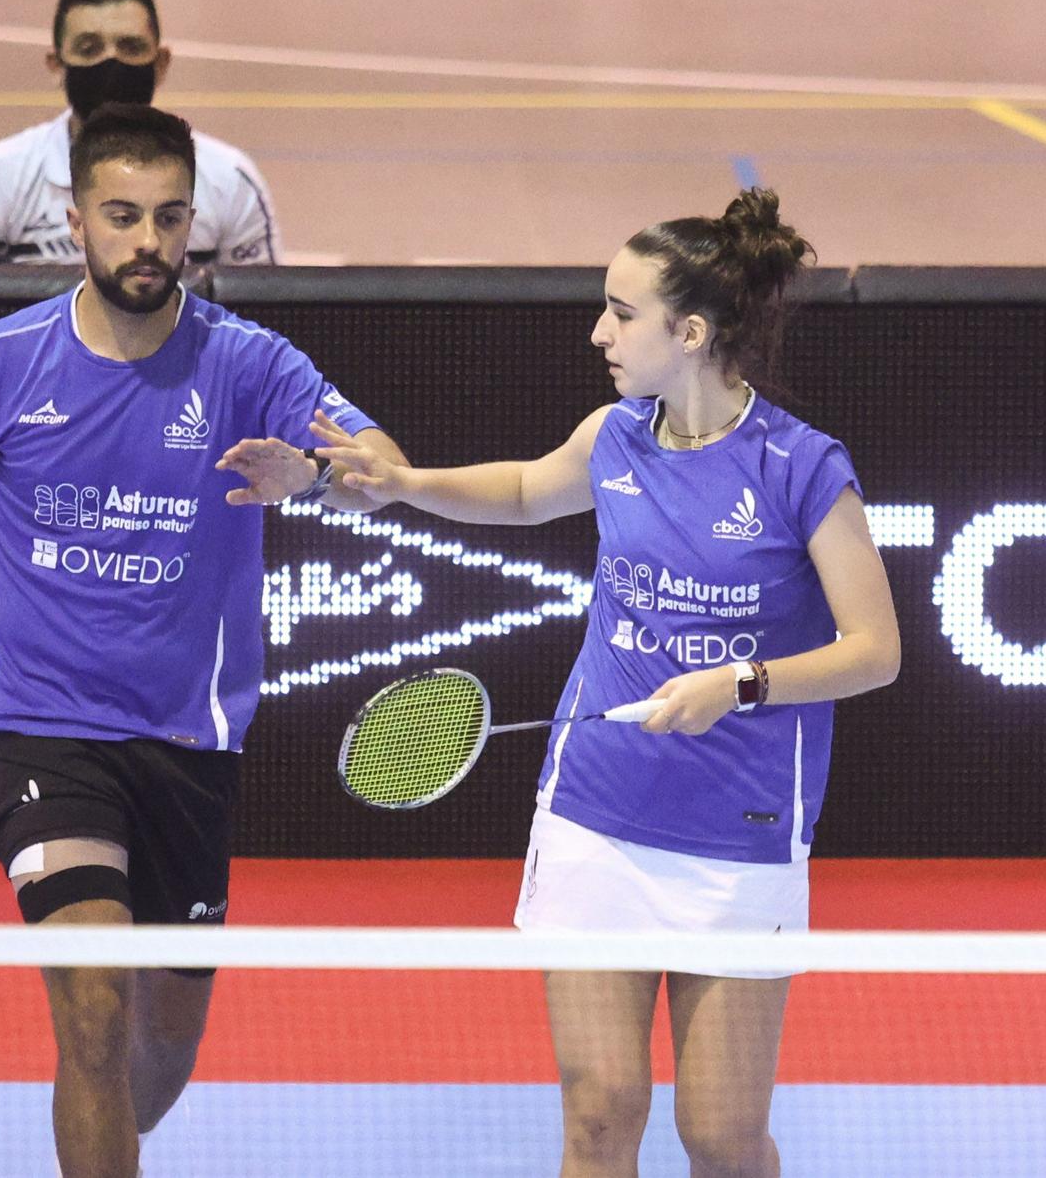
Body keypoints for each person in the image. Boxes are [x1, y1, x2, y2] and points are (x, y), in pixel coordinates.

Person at [0, 104, 404, 1178]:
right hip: (45, 731)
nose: (147, 242)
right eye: (121, 216)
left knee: (156, 1046)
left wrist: (311, 476)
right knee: (92, 1006)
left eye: (169, 217)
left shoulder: (249, 365)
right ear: (75, 219)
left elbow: (382, 471)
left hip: (187, 741)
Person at [303, 188, 901, 1177]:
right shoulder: (618, 435)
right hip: (594, 812)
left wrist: (741, 682)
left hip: (738, 836)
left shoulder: (801, 470)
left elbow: (873, 650)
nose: (599, 332)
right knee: (598, 1111)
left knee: (718, 1132)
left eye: (621, 313)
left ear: (693, 330)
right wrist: (407, 484)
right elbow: (530, 489)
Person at [0, 0, 280, 271]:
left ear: (160, 63)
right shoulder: (1, 178)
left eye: (130, 47)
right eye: (89, 49)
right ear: (57, 65)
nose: (111, 62)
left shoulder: (230, 182)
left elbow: (262, 318)